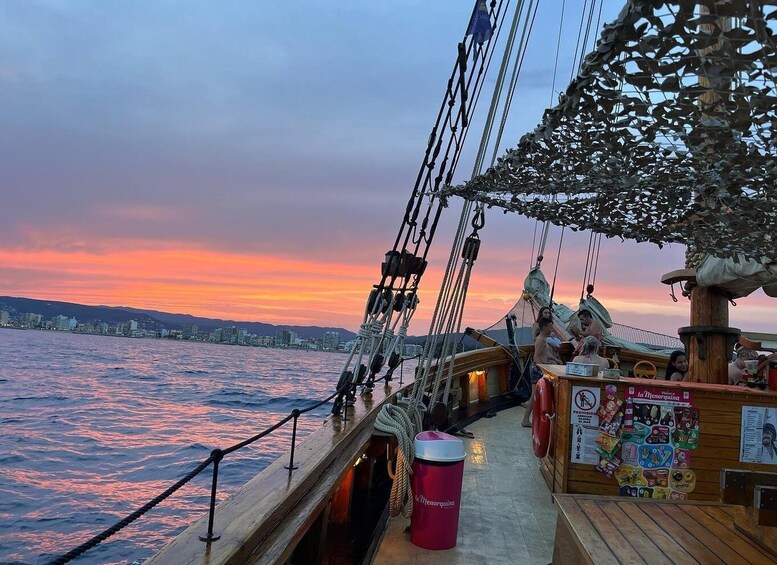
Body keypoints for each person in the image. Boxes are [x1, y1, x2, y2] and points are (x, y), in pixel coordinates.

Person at [521, 318, 562, 427]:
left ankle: (532, 418)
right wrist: (543, 370)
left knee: (537, 395)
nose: (552, 329)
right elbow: (537, 356)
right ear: (544, 328)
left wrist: (555, 360)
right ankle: (525, 419)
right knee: (534, 395)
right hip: (537, 369)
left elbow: (546, 354)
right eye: (550, 327)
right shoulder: (541, 340)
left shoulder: (544, 339)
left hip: (541, 367)